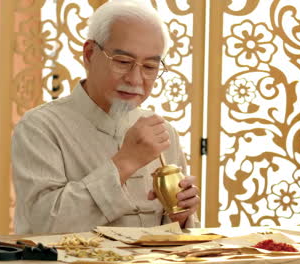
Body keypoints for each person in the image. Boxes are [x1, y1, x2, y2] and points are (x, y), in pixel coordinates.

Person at [12, 0, 200, 234]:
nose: (135, 79)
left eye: (150, 67)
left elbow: (176, 241)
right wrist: (126, 162)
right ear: (89, 54)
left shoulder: (162, 132)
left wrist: (180, 218)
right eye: (123, 62)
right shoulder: (40, 127)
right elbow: (41, 226)